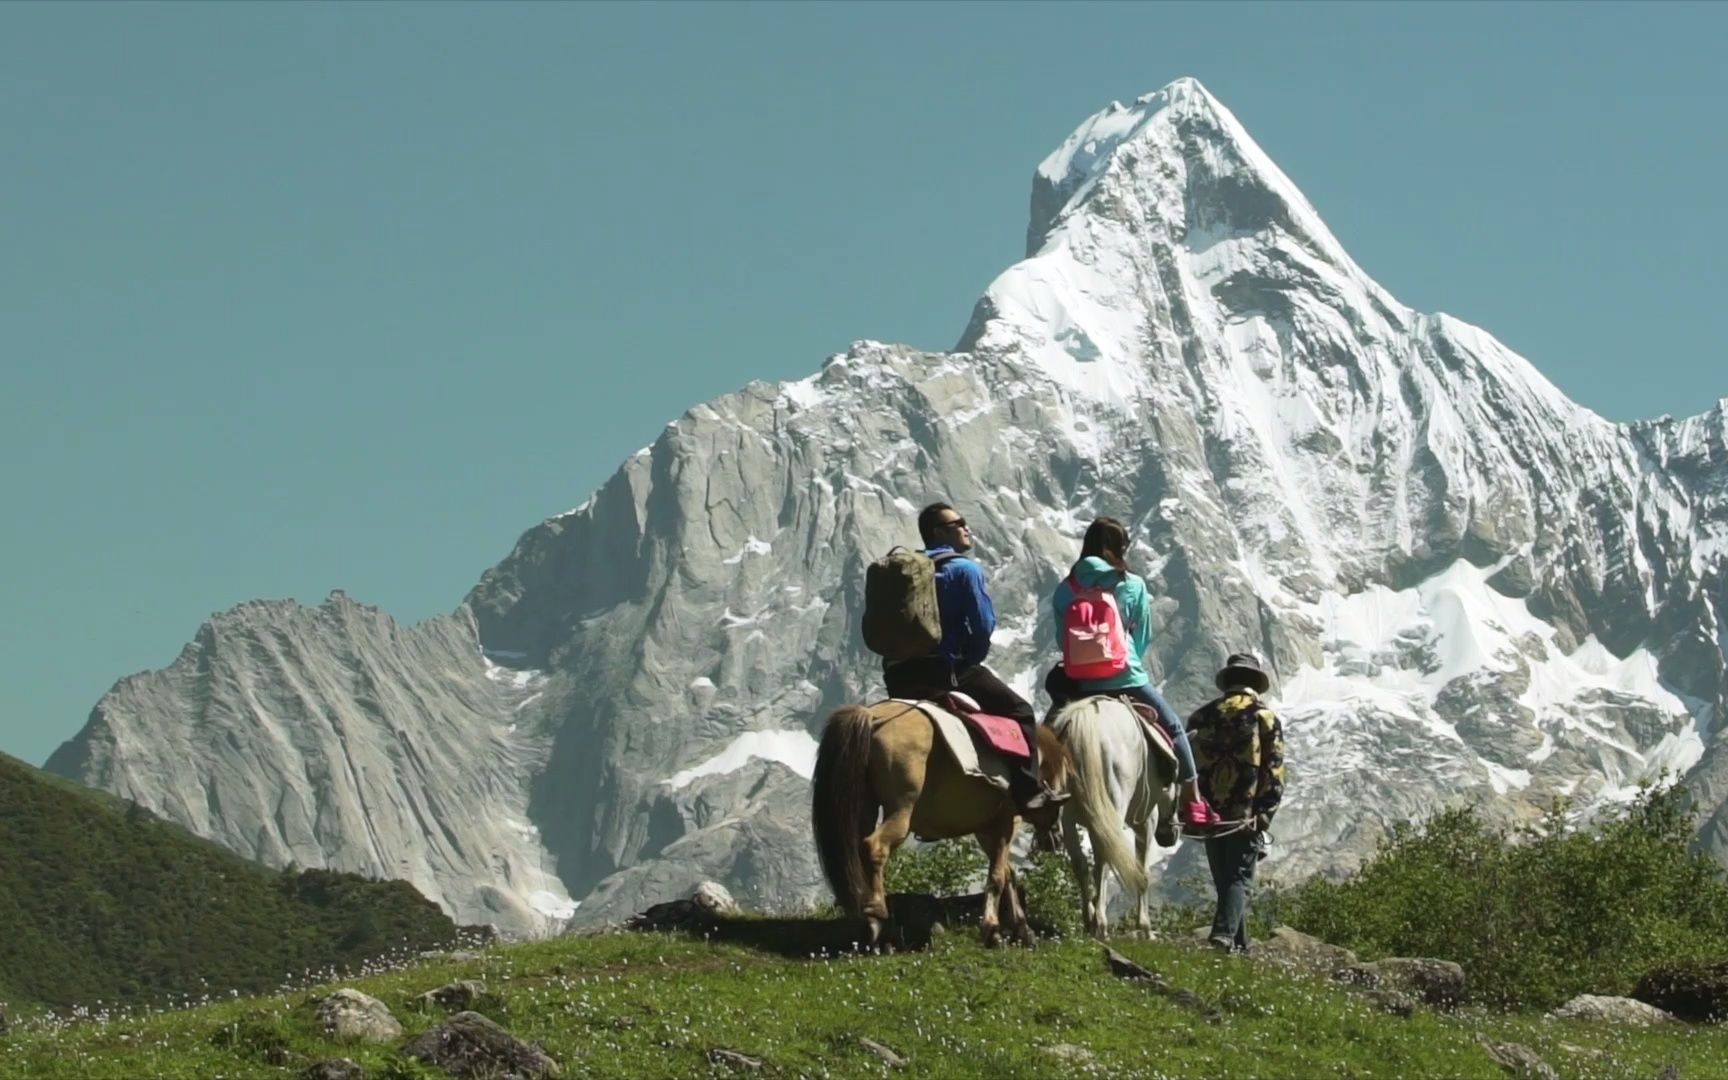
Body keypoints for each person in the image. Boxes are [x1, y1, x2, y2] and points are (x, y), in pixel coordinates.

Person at [883, 502, 1068, 817]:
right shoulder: (963, 569)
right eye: (959, 523)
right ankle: (1029, 791)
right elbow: (982, 625)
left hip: (898, 676)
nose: (967, 528)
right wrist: (970, 658)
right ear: (939, 532)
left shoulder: (906, 570)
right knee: (1021, 711)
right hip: (944, 670)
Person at [1051, 516, 1218, 827]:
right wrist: (1126, 663)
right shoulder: (1132, 584)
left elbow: (1063, 639)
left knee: (1050, 736)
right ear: (1119, 548)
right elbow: (1141, 636)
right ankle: (1193, 802)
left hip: (1081, 683)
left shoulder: (1065, 589)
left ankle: (1044, 804)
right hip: (1126, 677)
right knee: (1174, 729)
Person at [1187, 652, 1286, 954]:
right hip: (1245, 814)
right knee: (1239, 879)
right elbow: (1275, 768)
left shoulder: (1201, 716)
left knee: (1226, 882)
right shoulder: (1264, 716)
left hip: (1209, 813)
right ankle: (1222, 936)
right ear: (1254, 683)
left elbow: (1189, 768)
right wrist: (1266, 810)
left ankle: (1239, 948)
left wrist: (1192, 807)